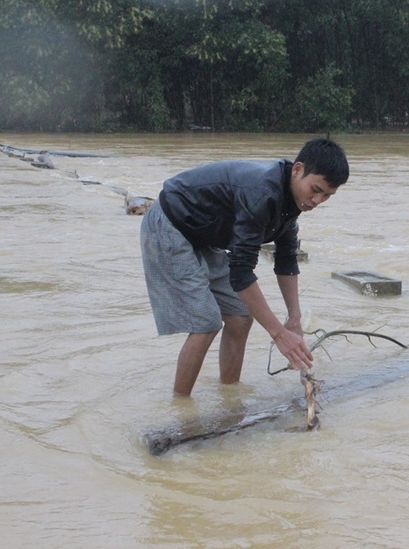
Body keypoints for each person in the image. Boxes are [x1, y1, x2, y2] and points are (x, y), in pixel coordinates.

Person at [140, 138, 349, 396]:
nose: (317, 200)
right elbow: (241, 272)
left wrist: (293, 319)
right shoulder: (262, 193)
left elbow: (286, 260)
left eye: (327, 195)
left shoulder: (292, 202)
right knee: (206, 322)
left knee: (240, 316)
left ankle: (229, 398)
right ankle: (181, 413)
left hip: (203, 233)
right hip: (171, 224)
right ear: (297, 170)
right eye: (315, 189)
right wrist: (278, 334)